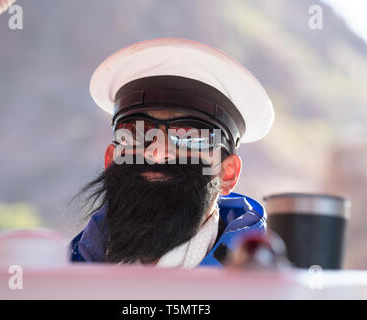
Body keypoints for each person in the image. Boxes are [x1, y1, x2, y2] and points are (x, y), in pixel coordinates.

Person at [70, 38, 274, 268]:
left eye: (191, 138)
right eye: (137, 133)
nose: (157, 153)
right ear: (110, 162)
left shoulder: (267, 290)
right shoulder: (58, 282)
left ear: (227, 174)